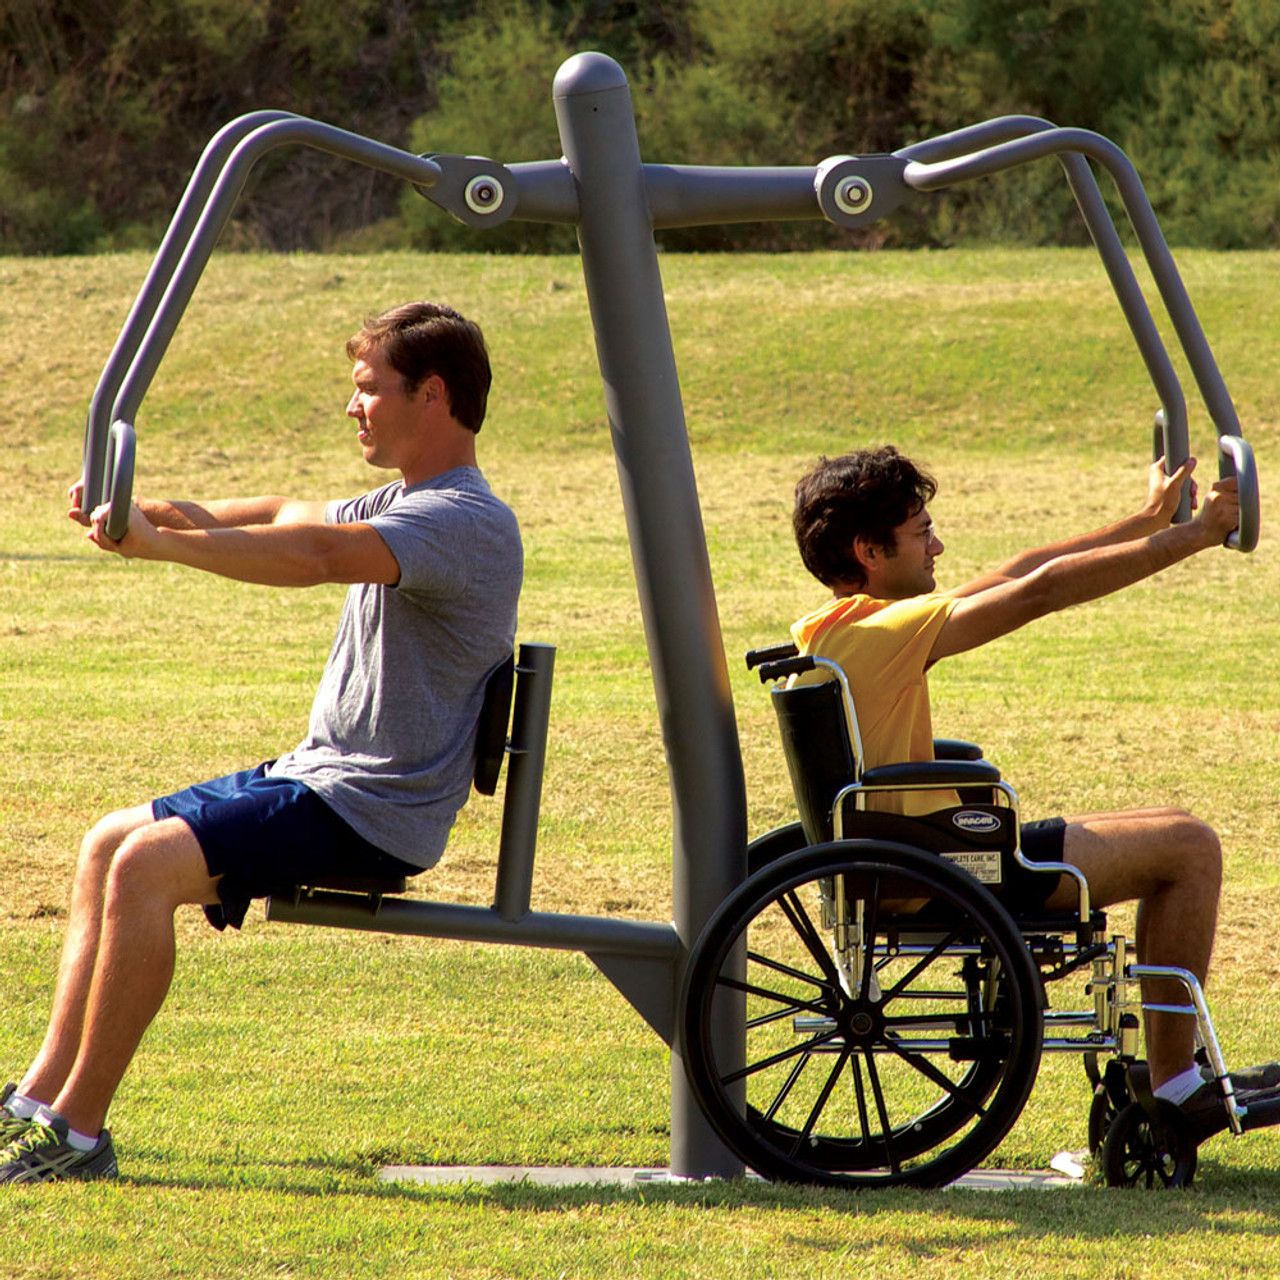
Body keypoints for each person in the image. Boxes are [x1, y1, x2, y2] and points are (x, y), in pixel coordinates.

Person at [0, 301, 522, 1183]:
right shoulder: (409, 500)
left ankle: (78, 1135)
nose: (353, 407)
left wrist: (162, 545)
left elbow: (316, 552)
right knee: (106, 843)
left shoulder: (463, 521)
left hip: (372, 811)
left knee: (145, 868)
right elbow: (286, 510)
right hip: (321, 779)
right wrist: (140, 506)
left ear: (431, 395)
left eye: (367, 390)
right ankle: (34, 1105)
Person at [789, 444, 1272, 1138]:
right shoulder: (882, 633)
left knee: (1176, 823)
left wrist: (1143, 520)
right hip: (942, 870)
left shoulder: (841, 628)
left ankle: (1171, 1074)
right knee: (1190, 848)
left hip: (920, 852)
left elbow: (1016, 573)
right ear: (869, 550)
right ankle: (1176, 1088)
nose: (940, 546)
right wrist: (1190, 538)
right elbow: (1038, 592)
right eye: (923, 533)